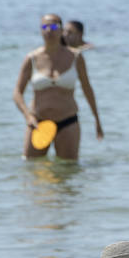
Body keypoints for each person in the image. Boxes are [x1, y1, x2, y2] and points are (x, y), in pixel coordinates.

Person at [12, 13, 104, 159]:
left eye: (54, 26)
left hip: (68, 121)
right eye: (45, 26)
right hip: (38, 122)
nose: (49, 30)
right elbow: (17, 93)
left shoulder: (76, 57)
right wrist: (28, 116)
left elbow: (87, 89)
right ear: (41, 30)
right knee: (31, 171)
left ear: (61, 30)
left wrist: (97, 120)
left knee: (68, 172)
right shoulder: (32, 58)